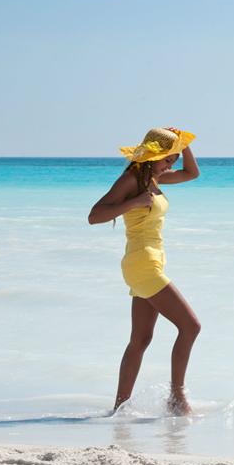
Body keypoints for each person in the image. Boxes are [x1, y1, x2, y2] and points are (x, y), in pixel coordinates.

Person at [88, 127, 201, 416]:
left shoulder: (154, 177)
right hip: (142, 263)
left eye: (172, 159)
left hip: (150, 262)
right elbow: (95, 215)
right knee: (191, 326)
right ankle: (177, 400)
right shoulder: (130, 181)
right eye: (167, 159)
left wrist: (182, 143)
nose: (171, 165)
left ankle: (119, 409)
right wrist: (134, 202)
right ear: (153, 156)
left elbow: (192, 173)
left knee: (140, 340)